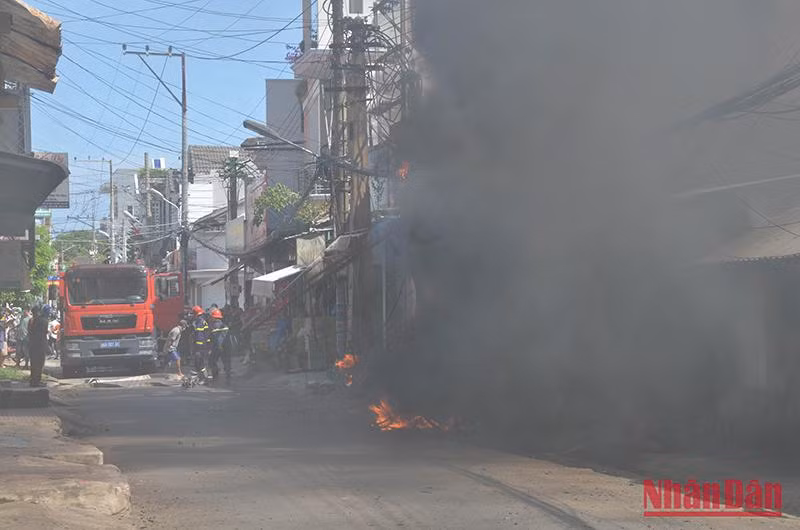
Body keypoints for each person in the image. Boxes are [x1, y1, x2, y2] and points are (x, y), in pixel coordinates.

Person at [28, 305, 50, 387]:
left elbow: (30, 332)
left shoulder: (32, 321)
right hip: (40, 345)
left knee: (34, 363)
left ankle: (33, 380)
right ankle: (36, 381)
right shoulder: (44, 321)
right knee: (39, 363)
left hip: (32, 344)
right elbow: (43, 334)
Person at [208, 309, 231, 384]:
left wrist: (209, 348)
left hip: (217, 347)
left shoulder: (213, 326)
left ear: (214, 317)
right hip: (226, 346)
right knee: (226, 361)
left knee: (212, 360)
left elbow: (210, 338)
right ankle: (228, 375)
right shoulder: (225, 325)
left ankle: (215, 374)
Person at [191, 306, 211, 376]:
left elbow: (199, 334)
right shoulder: (203, 321)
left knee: (199, 359)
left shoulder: (199, 322)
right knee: (199, 360)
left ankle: (204, 376)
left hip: (200, 345)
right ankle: (200, 374)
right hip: (203, 344)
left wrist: (196, 344)